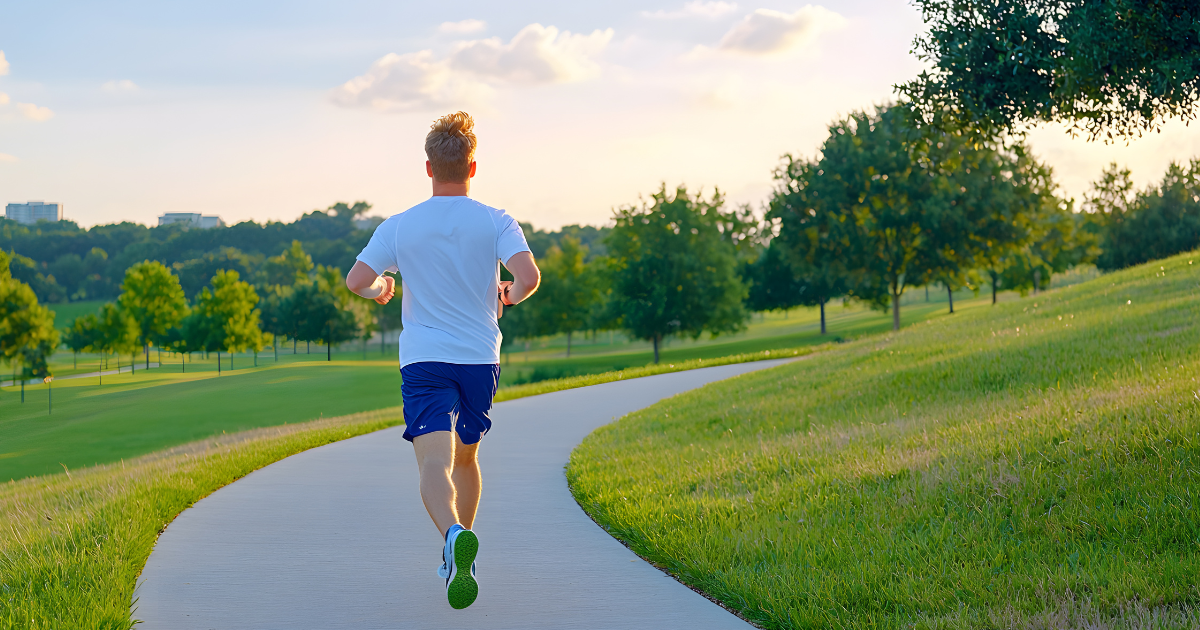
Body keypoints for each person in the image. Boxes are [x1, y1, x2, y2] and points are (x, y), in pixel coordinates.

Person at [345, 111, 541, 610]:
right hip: (480, 358)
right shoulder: (497, 220)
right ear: (472, 167)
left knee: (435, 459)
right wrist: (510, 295)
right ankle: (462, 554)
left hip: (425, 360)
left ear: (428, 167)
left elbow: (355, 280)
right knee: (468, 457)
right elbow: (529, 276)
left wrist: (380, 289)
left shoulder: (400, 225)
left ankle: (454, 536)